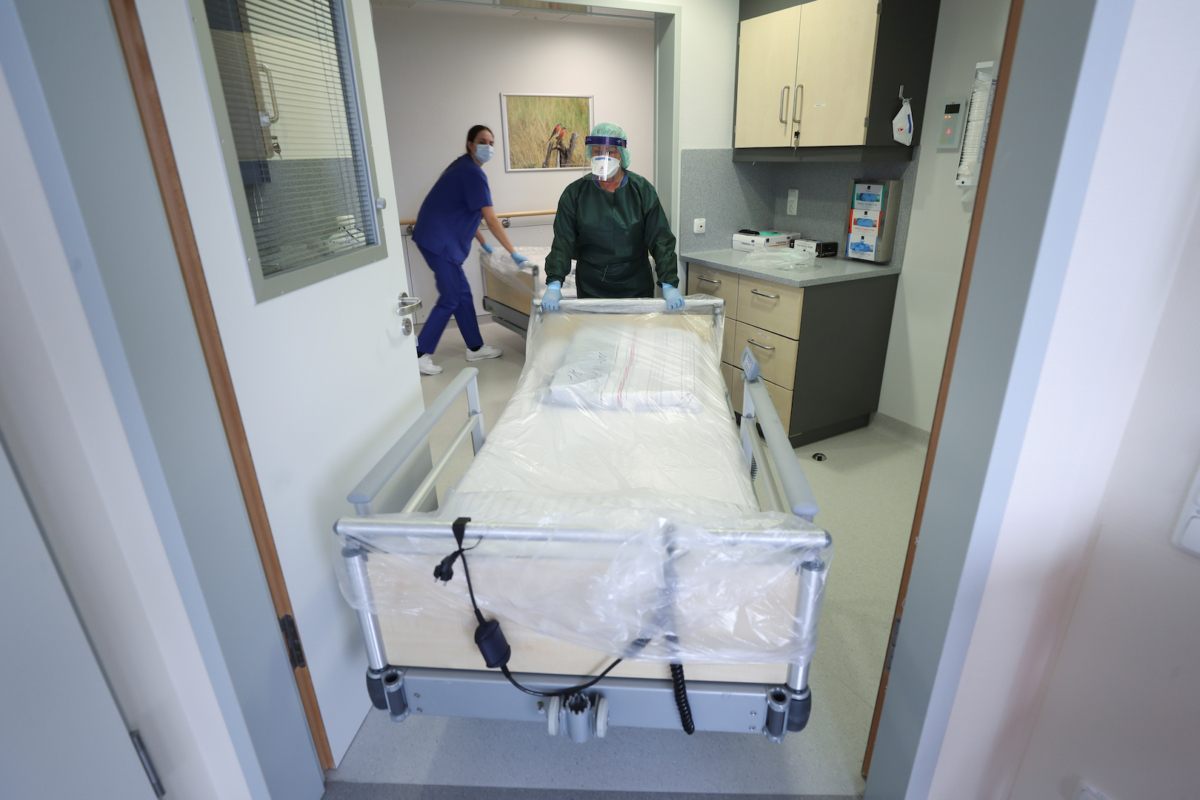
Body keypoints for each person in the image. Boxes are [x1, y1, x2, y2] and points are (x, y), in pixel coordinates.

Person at [412, 125, 530, 376]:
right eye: (482, 141)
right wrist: (512, 252)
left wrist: (484, 243)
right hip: (439, 242)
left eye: (491, 142)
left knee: (462, 294)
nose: (488, 147)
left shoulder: (462, 167)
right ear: (470, 144)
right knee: (451, 298)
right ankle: (419, 354)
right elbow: (490, 217)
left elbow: (468, 213)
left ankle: (475, 347)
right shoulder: (472, 173)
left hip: (434, 239)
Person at [541, 123, 683, 312]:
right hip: (592, 288)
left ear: (623, 155)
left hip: (635, 286)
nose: (604, 157)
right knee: (596, 340)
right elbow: (563, 242)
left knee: (635, 340)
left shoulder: (641, 190)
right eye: (597, 151)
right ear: (590, 153)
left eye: (611, 152)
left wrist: (669, 283)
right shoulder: (575, 194)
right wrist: (554, 283)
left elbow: (661, 239)